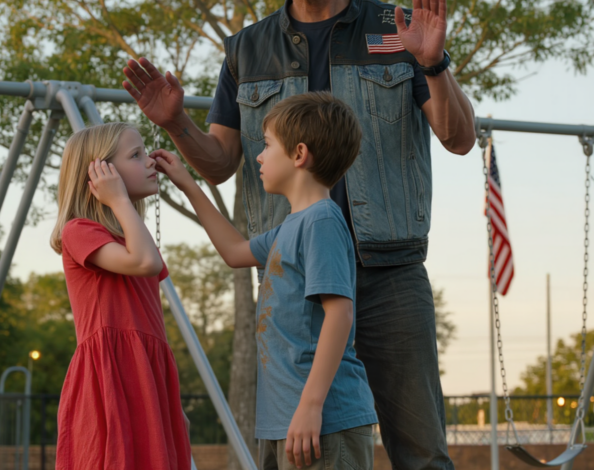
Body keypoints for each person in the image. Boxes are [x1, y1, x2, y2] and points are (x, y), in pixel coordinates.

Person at [124, 0, 476, 467]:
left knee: (421, 453)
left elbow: (459, 137)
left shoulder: (397, 29)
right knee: (299, 447)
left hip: (390, 274)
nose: (263, 153)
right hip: (292, 282)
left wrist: (433, 63)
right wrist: (175, 124)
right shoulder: (246, 50)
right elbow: (222, 164)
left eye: (269, 146)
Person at [154, 92, 377, 470]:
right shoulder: (290, 227)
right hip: (283, 422)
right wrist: (187, 184)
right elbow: (235, 251)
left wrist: (310, 406)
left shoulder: (321, 221)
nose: (258, 155)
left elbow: (340, 315)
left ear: (298, 154)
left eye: (267, 145)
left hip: (323, 421)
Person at [50, 123, 191, 470]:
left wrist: (171, 403)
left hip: (146, 376)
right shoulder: (79, 231)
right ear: (101, 172)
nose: (150, 162)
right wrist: (118, 199)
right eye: (136, 155)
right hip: (110, 379)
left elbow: (146, 266)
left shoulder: (130, 238)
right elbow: (145, 262)